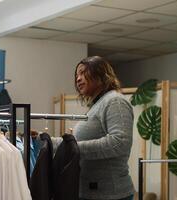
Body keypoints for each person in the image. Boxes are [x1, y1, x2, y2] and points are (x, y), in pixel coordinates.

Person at [73, 56, 134, 200]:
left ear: (100, 74)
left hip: (111, 194)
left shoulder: (115, 101)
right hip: (93, 193)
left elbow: (120, 142)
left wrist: (72, 147)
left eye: (82, 73)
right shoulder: (97, 105)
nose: (78, 79)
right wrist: (49, 141)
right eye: (77, 75)